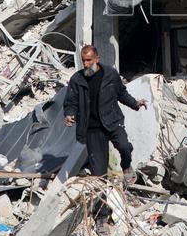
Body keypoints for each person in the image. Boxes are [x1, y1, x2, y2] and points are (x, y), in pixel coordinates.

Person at [63, 45, 147, 185]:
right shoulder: (76, 80)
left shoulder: (110, 74)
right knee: (99, 174)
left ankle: (126, 166)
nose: (85, 64)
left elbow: (121, 93)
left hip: (112, 121)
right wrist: (69, 114)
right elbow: (70, 102)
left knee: (124, 147)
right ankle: (104, 201)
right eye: (83, 60)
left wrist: (135, 104)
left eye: (89, 60)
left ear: (97, 58)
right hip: (92, 129)